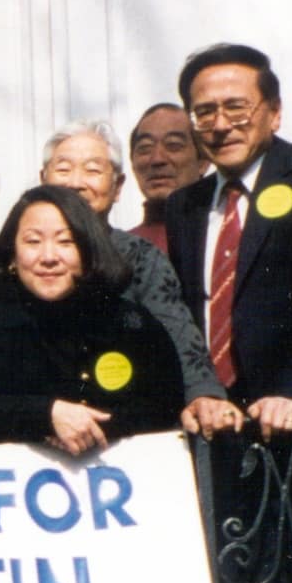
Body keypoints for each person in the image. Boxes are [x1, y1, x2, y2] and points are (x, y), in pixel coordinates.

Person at [165, 42, 292, 440]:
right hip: (218, 427)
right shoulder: (183, 205)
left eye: (237, 107)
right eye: (205, 112)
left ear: (274, 113)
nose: (221, 125)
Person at [40, 120, 239, 437]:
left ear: (117, 188)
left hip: (127, 431)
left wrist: (204, 394)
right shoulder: (17, 255)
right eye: (63, 170)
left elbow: (177, 329)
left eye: (92, 171)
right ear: (43, 180)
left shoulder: (140, 257)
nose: (76, 183)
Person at [0, 186, 190, 452]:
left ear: (88, 250)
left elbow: (164, 400)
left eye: (66, 242)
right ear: (12, 255)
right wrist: (47, 416)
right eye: (33, 241)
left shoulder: (122, 316)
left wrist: (89, 429)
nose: (48, 257)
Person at [125, 103, 205, 253]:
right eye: (145, 148)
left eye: (173, 145)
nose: (157, 159)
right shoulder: (119, 249)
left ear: (203, 162)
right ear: (132, 163)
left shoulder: (220, 234)